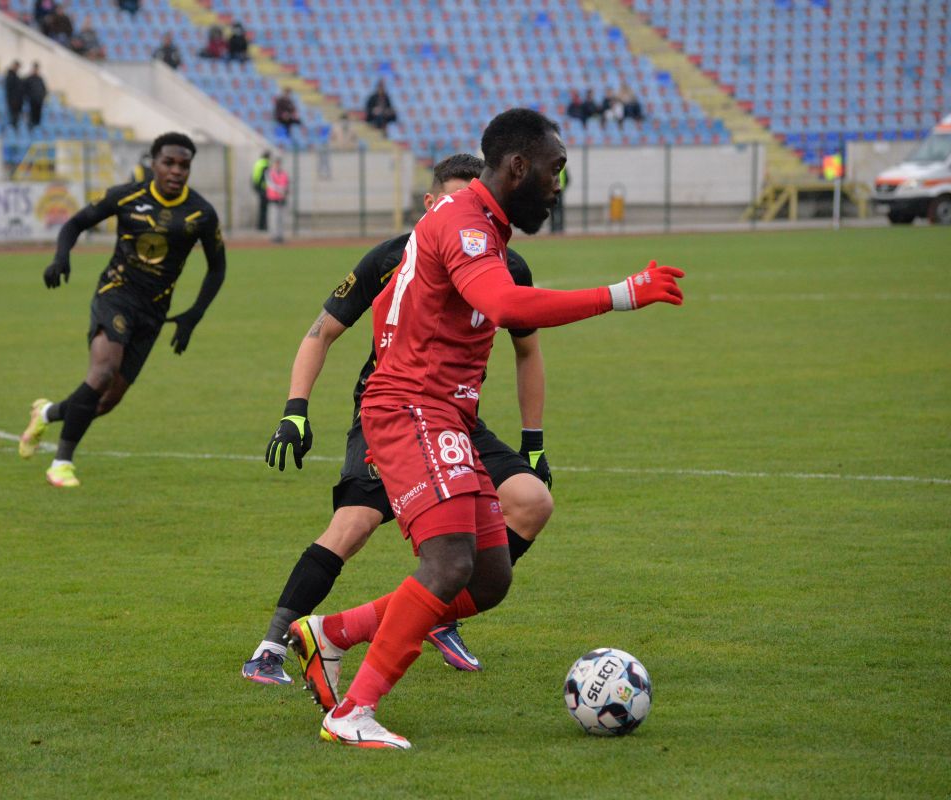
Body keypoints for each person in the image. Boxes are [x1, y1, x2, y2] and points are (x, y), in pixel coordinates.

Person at [287, 108, 686, 749]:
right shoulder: (466, 223)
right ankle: (352, 712)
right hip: (412, 407)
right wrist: (620, 293)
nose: (560, 185)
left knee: (489, 576)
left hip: (445, 412)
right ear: (518, 167)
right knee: (446, 562)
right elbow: (503, 306)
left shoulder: (480, 226)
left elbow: (413, 303)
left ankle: (331, 633)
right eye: (555, 171)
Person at [243, 154, 555, 689]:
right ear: (431, 204)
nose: (465, 212)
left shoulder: (505, 262)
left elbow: (528, 351)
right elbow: (320, 333)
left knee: (531, 502)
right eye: (453, 201)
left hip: (456, 418)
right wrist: (295, 410)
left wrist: (533, 441)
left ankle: (437, 613)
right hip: (391, 412)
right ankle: (272, 644)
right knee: (356, 523)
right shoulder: (390, 257)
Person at [19, 133, 226, 488]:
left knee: (107, 400)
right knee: (101, 374)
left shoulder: (201, 213)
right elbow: (74, 224)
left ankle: (47, 413)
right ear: (154, 163)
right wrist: (61, 257)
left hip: (154, 312)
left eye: (184, 165)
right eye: (169, 163)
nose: (176, 171)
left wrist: (194, 314)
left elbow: (217, 267)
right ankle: (61, 463)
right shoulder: (127, 195)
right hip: (115, 296)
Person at [265, 156, 289, 244]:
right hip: (273, 199)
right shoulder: (269, 173)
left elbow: (286, 183)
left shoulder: (284, 173)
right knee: (273, 218)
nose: (277, 164)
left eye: (278, 163)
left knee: (281, 219)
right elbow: (270, 184)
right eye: (276, 163)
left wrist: (284, 191)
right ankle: (274, 236)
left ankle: (280, 236)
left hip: (282, 199)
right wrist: (280, 190)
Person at [250, 150, 270, 232]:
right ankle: (263, 226)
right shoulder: (265, 164)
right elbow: (265, 177)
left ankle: (260, 225)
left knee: (261, 208)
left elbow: (254, 176)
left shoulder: (258, 163)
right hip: (263, 189)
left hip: (258, 187)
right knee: (264, 209)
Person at [24, 62, 47, 129]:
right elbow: (25, 89)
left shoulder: (40, 79)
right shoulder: (29, 79)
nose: (36, 70)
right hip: (31, 102)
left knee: (38, 118)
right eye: (35, 68)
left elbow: (44, 89)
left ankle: (36, 129)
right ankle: (30, 128)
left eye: (37, 69)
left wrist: (42, 97)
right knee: (31, 117)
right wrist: (29, 97)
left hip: (39, 102)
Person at [4, 60, 24, 129]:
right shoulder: (10, 76)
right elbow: (10, 89)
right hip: (13, 101)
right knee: (13, 118)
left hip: (18, 102)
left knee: (16, 118)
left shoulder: (16, 77)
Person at [549, 165, 568, 234]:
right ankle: (553, 228)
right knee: (552, 210)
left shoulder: (563, 168)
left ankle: (561, 227)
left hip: (560, 192)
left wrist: (563, 188)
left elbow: (567, 179)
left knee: (560, 210)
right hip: (552, 192)